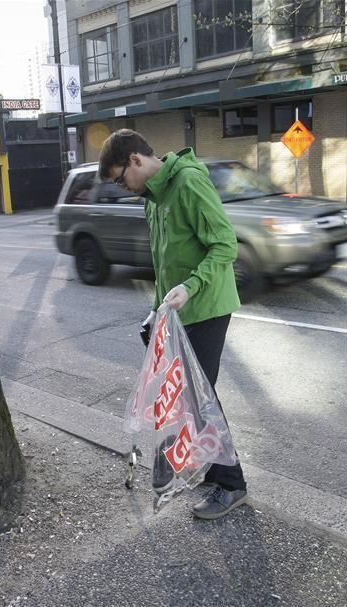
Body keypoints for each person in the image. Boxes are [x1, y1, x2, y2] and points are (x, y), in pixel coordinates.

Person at [99, 129, 248, 520]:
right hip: (179, 312)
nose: (122, 187)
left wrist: (190, 286)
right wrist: (155, 309)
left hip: (208, 305)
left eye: (119, 178)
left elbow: (225, 243)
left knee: (199, 398)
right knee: (193, 398)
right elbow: (164, 263)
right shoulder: (153, 198)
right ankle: (216, 471)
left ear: (135, 160)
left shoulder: (187, 181)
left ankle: (231, 484)